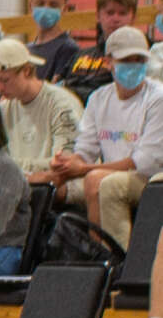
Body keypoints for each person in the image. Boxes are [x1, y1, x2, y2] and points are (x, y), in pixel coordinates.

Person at [52, 26, 163, 243]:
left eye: (139, 60)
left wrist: (84, 169)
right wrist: (67, 163)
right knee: (55, 181)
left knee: (100, 181)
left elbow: (145, 162)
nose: (134, 65)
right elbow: (85, 149)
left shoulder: (158, 98)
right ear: (107, 62)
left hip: (153, 177)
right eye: (126, 60)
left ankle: (113, 254)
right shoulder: (98, 98)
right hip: (115, 173)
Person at [0, 37, 88, 181]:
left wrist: (8, 166)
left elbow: (64, 164)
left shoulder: (62, 105)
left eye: (5, 80)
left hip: (59, 185)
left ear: (27, 71)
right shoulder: (4, 109)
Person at [33, 0, 83, 78]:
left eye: (53, 5)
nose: (46, 9)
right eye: (40, 3)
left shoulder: (68, 49)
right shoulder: (27, 49)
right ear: (31, 6)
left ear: (64, 9)